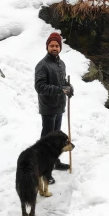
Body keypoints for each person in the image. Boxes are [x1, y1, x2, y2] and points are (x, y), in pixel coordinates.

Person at [35, 32, 74, 180]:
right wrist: (60, 89)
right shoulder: (42, 65)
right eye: (51, 45)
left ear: (60, 47)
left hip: (59, 106)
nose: (54, 48)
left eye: (57, 45)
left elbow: (63, 82)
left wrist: (69, 88)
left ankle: (55, 161)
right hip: (48, 108)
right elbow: (40, 87)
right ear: (47, 47)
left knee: (57, 138)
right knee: (46, 140)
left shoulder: (61, 64)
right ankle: (43, 170)